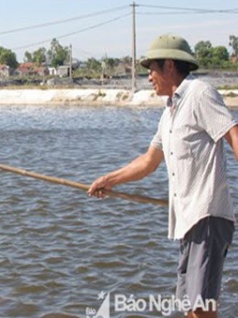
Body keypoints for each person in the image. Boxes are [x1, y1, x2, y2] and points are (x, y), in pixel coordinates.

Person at [88, 34, 238, 318]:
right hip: (187, 223)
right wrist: (108, 180)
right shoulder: (170, 111)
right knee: (189, 308)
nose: (148, 78)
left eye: (151, 69)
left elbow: (232, 133)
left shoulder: (199, 93)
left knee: (200, 309)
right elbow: (148, 161)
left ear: (170, 66)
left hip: (206, 217)